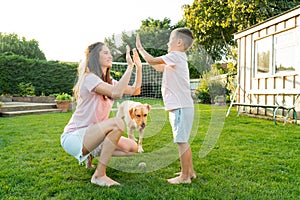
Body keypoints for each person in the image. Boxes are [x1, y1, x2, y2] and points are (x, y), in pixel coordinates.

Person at [60, 42, 142, 187]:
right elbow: (116, 93)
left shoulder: (109, 82)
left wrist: (138, 67)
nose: (109, 55)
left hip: (94, 134)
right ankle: (99, 175)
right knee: (117, 123)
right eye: (105, 53)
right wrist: (129, 67)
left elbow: (135, 90)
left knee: (133, 148)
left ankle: (90, 156)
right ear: (94, 58)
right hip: (75, 136)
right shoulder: (89, 78)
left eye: (109, 52)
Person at [136, 28, 196, 184]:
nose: (167, 43)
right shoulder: (177, 58)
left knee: (181, 142)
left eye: (170, 40)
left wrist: (141, 49)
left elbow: (151, 61)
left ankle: (184, 177)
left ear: (179, 42)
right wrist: (140, 61)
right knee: (183, 141)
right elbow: (157, 66)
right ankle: (190, 171)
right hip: (181, 107)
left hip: (180, 107)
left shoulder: (175, 56)